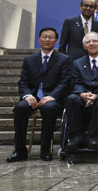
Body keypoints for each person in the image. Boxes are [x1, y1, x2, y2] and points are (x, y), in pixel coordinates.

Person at [7, 28, 71, 162]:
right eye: (44, 37)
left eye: (51, 37)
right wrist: (27, 95)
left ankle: (45, 150)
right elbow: (23, 81)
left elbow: (65, 82)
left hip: (52, 97)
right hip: (33, 96)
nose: (47, 40)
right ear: (39, 39)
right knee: (20, 108)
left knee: (49, 108)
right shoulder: (29, 60)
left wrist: (51, 96)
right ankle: (20, 151)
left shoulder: (63, 59)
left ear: (56, 41)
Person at [65, 32, 98, 152]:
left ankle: (94, 138)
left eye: (94, 41)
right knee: (71, 98)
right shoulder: (77, 63)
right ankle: (76, 137)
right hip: (83, 96)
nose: (91, 44)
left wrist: (96, 94)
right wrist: (81, 94)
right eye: (88, 42)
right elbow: (75, 82)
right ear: (84, 46)